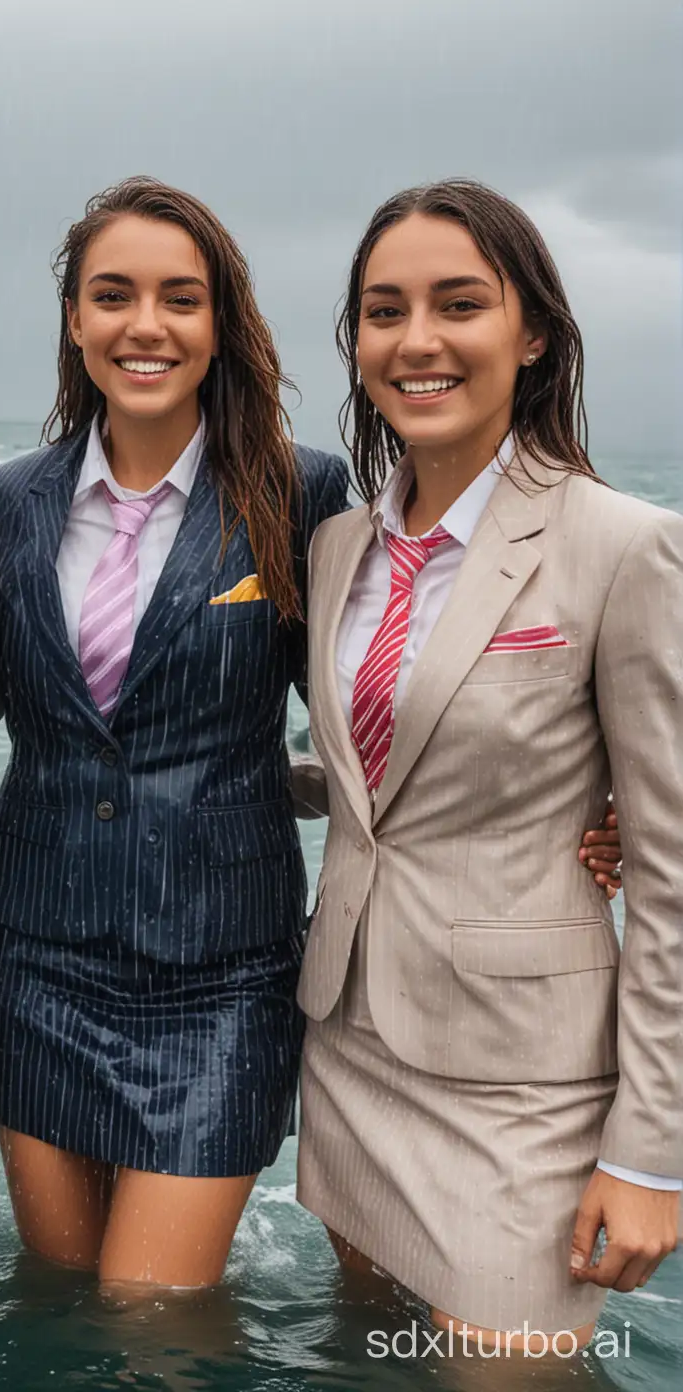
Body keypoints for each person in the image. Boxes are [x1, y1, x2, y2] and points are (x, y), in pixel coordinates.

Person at [297, 179, 680, 1345]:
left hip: (527, 1090)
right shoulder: (336, 547)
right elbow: (377, 783)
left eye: (459, 305)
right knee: (368, 1360)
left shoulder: (623, 546)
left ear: (534, 335)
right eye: (383, 310)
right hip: (351, 1041)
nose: (417, 341)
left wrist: (652, 1149)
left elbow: (669, 872)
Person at [0, 177, 351, 1288]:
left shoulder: (303, 495)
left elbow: (380, 706)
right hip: (38, 954)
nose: (147, 324)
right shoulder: (10, 501)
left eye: (181, 298)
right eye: (114, 295)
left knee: (155, 1314)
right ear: (75, 319)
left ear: (220, 322)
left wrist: (586, 799)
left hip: (223, 969)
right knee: (59, 1301)